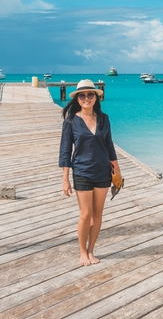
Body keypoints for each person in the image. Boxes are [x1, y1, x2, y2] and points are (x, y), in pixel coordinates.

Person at [59, 79, 120, 266]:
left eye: (90, 95)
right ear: (77, 99)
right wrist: (65, 179)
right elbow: (65, 151)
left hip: (103, 171)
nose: (86, 98)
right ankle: (82, 252)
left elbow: (109, 145)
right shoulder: (71, 121)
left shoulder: (104, 119)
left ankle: (92, 250)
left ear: (96, 98)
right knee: (85, 214)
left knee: (98, 214)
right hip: (82, 171)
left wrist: (117, 170)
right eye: (82, 95)